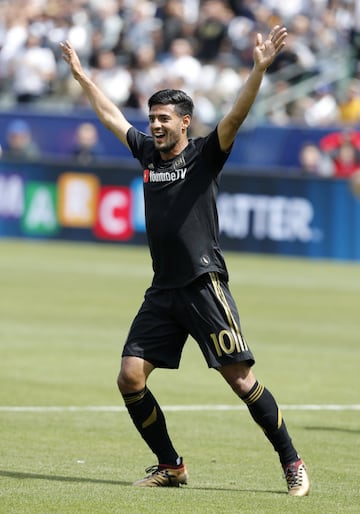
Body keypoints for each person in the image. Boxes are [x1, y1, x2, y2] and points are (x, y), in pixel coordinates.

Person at [60, 24, 310, 497]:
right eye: (152, 117)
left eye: (164, 119)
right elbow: (113, 117)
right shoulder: (147, 155)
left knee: (240, 379)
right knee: (129, 376)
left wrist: (258, 70)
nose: (155, 125)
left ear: (184, 123)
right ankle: (171, 465)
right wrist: (81, 78)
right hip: (163, 289)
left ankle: (291, 459)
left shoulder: (204, 155)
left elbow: (235, 115)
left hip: (203, 284)